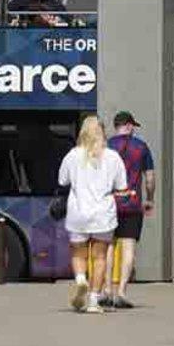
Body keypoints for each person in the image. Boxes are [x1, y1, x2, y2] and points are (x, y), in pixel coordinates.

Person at [58, 116, 127, 314]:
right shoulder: (113, 157)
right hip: (103, 215)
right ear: (103, 132)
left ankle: (81, 280)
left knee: (78, 253)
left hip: (78, 213)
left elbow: (62, 180)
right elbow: (121, 186)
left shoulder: (73, 155)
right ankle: (94, 301)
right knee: (99, 258)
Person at [102, 111, 156, 309]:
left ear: (116, 126)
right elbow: (150, 178)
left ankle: (106, 289)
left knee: (107, 245)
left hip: (109, 204)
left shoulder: (106, 147)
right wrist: (150, 199)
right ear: (130, 125)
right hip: (132, 204)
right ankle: (122, 292)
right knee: (128, 246)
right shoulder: (141, 147)